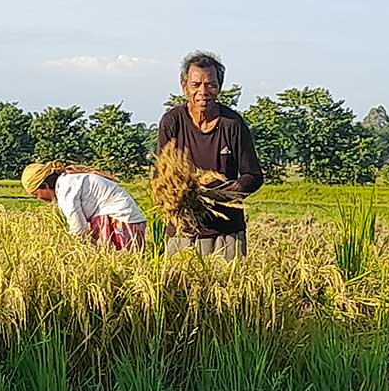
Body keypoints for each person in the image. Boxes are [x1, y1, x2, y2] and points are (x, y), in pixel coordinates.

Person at [157, 51, 263, 259]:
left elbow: (253, 175)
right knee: (181, 280)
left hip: (226, 233)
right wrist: (177, 195)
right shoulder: (172, 122)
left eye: (211, 85)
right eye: (196, 85)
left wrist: (231, 191)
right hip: (183, 232)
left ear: (219, 88)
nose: (203, 92)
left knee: (228, 280)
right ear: (184, 87)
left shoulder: (232, 124)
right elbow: (161, 175)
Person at [21, 162, 147, 251]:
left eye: (36, 194)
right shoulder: (68, 181)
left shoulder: (65, 189)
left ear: (45, 185)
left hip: (120, 219)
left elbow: (79, 228)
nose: (39, 199)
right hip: (127, 219)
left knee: (119, 262)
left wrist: (67, 249)